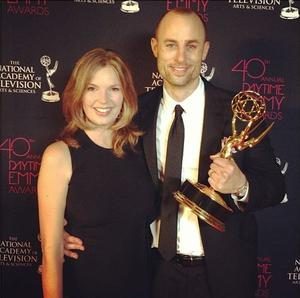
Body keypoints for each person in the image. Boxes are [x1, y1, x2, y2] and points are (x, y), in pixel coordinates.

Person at [63, 9, 285, 298]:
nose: (180, 58)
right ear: (156, 47)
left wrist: (241, 186)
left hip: (223, 274)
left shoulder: (239, 112)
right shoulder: (131, 113)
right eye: (171, 45)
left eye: (191, 46)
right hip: (150, 270)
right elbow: (90, 170)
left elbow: (276, 186)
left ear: (205, 50)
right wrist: (55, 233)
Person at [37, 48, 156, 298]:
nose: (104, 100)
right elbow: (51, 252)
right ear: (78, 94)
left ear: (125, 94)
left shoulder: (143, 150)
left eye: (113, 88)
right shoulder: (59, 155)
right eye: (92, 88)